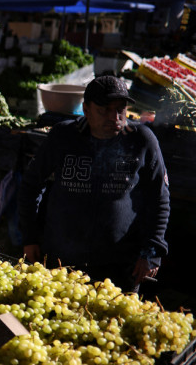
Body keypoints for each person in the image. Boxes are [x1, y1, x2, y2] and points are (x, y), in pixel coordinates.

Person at [17, 76, 170, 293]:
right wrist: (30, 236)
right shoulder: (64, 136)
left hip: (120, 265)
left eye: (120, 109)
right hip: (62, 261)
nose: (114, 117)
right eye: (104, 109)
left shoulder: (141, 140)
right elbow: (31, 185)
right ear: (86, 109)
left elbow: (159, 199)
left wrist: (152, 251)